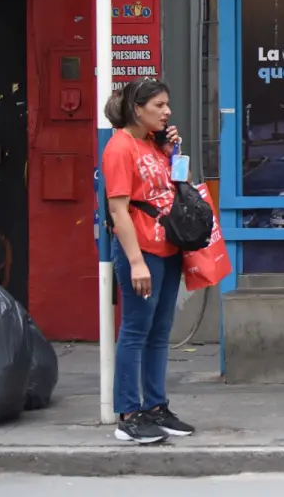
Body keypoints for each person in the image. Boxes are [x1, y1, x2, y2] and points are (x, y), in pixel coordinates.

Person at [102, 77, 195, 444]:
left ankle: (156, 406)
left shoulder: (153, 146)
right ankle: (129, 413)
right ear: (136, 109)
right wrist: (136, 261)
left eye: (167, 105)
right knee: (136, 331)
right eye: (158, 105)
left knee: (159, 333)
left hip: (168, 247)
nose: (167, 111)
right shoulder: (120, 148)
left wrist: (174, 151)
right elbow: (117, 209)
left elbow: (178, 186)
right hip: (141, 251)